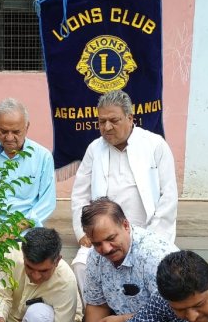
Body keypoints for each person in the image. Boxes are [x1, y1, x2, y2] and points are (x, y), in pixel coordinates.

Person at [70, 89, 177, 298]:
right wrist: (82, 232)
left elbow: (169, 197)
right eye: (102, 122)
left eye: (114, 120)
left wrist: (152, 236)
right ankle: (100, 313)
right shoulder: (94, 149)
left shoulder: (155, 145)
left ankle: (141, 321)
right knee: (81, 265)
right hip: (103, 236)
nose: (107, 127)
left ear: (130, 117)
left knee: (161, 271)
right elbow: (80, 194)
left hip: (147, 233)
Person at [0, 98, 56, 230]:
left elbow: (47, 203)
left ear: (27, 126)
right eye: (3, 131)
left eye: (16, 132)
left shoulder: (43, 157)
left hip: (25, 234)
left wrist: (15, 229)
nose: (9, 137)